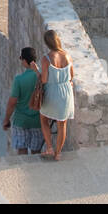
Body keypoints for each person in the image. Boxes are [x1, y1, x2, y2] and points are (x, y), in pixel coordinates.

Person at [39, 28, 74, 159]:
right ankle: (58, 153)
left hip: (52, 92)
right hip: (65, 93)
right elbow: (71, 76)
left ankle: (49, 147)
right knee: (62, 123)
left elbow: (44, 80)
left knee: (43, 119)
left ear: (47, 43)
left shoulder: (46, 59)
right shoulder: (68, 56)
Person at [3, 46, 45, 154]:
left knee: (22, 151)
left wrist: (6, 119)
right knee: (36, 152)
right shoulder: (43, 77)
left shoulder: (19, 80)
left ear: (25, 61)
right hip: (38, 121)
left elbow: (12, 103)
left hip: (21, 121)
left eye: (21, 58)